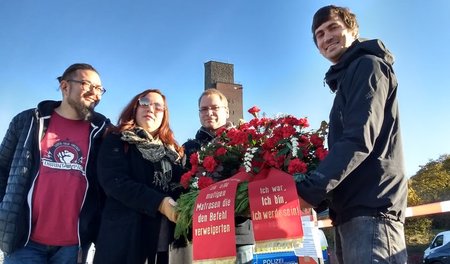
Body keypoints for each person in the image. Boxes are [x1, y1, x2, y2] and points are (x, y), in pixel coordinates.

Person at [295, 5, 408, 264]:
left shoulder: (367, 66)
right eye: (320, 34)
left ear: (353, 29)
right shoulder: (348, 75)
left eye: (333, 27)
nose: (327, 37)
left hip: (372, 209)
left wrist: (310, 191)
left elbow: (358, 138)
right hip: (351, 212)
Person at [0, 63, 110, 264]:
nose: (95, 93)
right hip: (24, 242)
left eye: (100, 89)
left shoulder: (102, 132)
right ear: (65, 86)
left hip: (73, 246)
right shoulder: (27, 121)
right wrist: (4, 213)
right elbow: (2, 168)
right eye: (88, 85)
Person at [93, 89, 184, 264]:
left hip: (166, 245)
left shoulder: (174, 152)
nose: (150, 108)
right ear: (135, 108)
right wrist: (159, 203)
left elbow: (182, 188)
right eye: (144, 103)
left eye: (158, 107)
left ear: (164, 115)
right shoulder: (117, 140)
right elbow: (114, 182)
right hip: (126, 241)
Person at [181, 88, 255, 264]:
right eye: (204, 109)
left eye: (214, 107)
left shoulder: (245, 140)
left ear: (227, 111)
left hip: (239, 233)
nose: (209, 113)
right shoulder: (188, 148)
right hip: (204, 233)